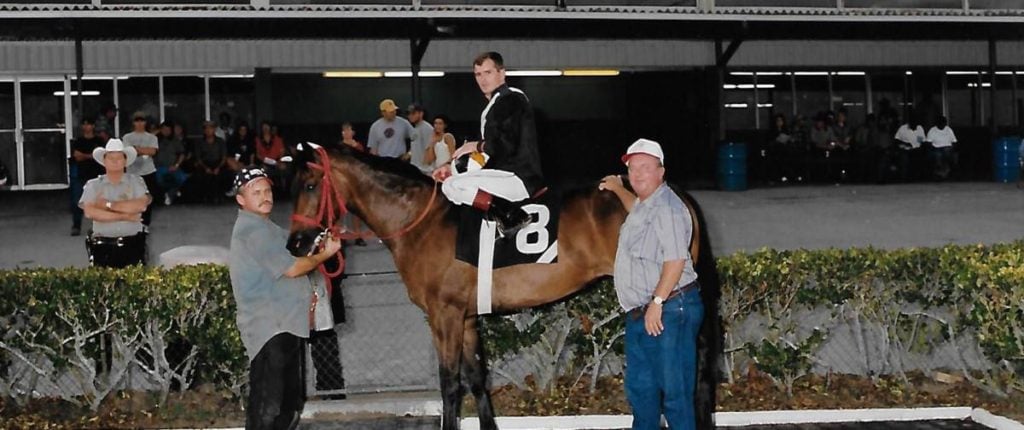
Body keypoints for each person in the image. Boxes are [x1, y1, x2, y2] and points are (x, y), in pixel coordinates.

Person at [598, 138, 703, 430]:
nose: (638, 174)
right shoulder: (646, 203)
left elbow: (675, 261)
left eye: (645, 167)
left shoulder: (668, 208)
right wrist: (619, 189)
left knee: (675, 396)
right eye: (632, 169)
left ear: (661, 171)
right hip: (641, 313)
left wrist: (657, 303)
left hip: (670, 310)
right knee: (642, 393)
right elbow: (637, 209)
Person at [228, 167, 341, 430]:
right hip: (271, 329)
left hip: (285, 326)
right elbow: (292, 268)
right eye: (256, 192)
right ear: (240, 199)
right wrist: (324, 256)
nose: (265, 196)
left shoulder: (267, 228)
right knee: (271, 408)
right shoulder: (252, 231)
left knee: (287, 406)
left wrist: (318, 246)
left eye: (267, 190)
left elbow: (296, 256)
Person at [431, 51, 544, 237]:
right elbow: (484, 152)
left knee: (452, 186)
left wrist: (476, 146)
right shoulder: (497, 103)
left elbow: (506, 146)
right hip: (506, 174)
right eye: (478, 74)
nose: (483, 79)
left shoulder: (510, 99)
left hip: (518, 177)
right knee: (453, 180)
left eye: (488, 72)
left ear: (502, 73)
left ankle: (511, 216)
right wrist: (450, 167)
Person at [80, 139, 151, 268]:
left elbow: (140, 205)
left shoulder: (136, 182)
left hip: (133, 244)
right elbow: (90, 212)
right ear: (104, 161)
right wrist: (125, 216)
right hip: (102, 246)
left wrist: (108, 205)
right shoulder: (93, 185)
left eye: (119, 158)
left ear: (125, 161)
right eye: (110, 158)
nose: (115, 161)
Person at [122, 111, 160, 226]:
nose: (139, 123)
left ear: (145, 122)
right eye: (137, 120)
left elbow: (152, 151)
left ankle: (146, 223)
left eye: (141, 120)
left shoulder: (152, 137)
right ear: (133, 123)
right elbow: (127, 152)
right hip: (132, 172)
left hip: (148, 171)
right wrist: (143, 150)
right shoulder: (127, 137)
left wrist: (136, 149)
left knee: (147, 198)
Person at [70, 118, 106, 236]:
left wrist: (85, 155)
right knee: (78, 201)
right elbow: (77, 157)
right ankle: (76, 226)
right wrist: (91, 156)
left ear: (93, 126)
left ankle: (100, 226)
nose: (86, 127)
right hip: (82, 174)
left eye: (89, 124)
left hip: (97, 175)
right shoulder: (78, 141)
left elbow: (102, 156)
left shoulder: (99, 141)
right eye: (84, 124)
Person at [338, 121, 369, 246]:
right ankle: (342, 235)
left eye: (348, 130)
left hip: (355, 181)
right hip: (342, 181)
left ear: (353, 132)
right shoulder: (339, 146)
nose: (346, 133)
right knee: (341, 210)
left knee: (356, 211)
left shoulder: (358, 147)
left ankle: (358, 235)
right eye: (344, 130)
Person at [193, 120, 230, 202]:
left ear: (214, 130)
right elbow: (198, 158)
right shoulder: (199, 142)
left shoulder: (220, 141)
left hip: (218, 163)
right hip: (204, 164)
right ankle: (205, 197)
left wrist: (218, 167)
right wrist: (206, 168)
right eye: (206, 129)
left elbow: (224, 157)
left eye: (211, 128)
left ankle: (219, 196)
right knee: (200, 175)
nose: (208, 131)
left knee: (223, 174)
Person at [154, 121, 188, 206]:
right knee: (159, 180)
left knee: (183, 178)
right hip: (159, 167)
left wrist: (176, 165)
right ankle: (167, 195)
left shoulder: (175, 140)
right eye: (164, 129)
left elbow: (182, 154)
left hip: (174, 167)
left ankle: (171, 193)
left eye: (168, 129)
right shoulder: (155, 140)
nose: (166, 131)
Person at [926, 116, 957, 180]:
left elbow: (954, 142)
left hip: (947, 148)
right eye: (940, 123)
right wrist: (935, 148)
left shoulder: (949, 130)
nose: (942, 125)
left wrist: (951, 148)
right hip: (936, 149)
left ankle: (945, 172)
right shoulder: (932, 130)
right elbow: (929, 143)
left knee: (946, 152)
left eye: (943, 123)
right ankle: (939, 172)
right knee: (938, 155)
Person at [406, 103, 435, 174]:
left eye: (413, 113)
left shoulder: (426, 128)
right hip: (416, 167)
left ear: (421, 114)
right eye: (408, 114)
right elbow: (415, 146)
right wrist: (409, 154)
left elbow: (430, 148)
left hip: (425, 170)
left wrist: (425, 167)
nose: (410, 116)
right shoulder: (415, 128)